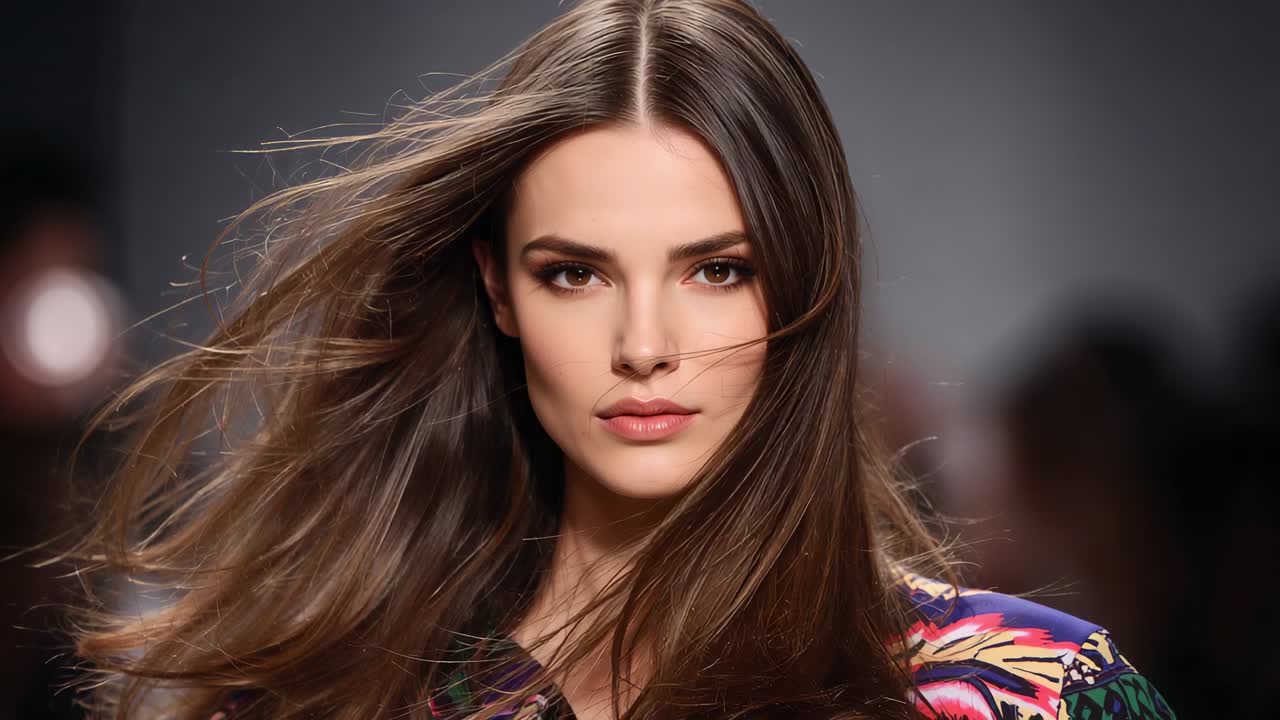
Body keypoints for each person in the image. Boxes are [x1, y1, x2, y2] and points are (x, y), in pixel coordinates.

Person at [49, 1, 1176, 718]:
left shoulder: (1018, 694)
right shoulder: (333, 698)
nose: (644, 348)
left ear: (805, 283)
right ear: (496, 288)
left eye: (715, 269)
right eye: (574, 274)